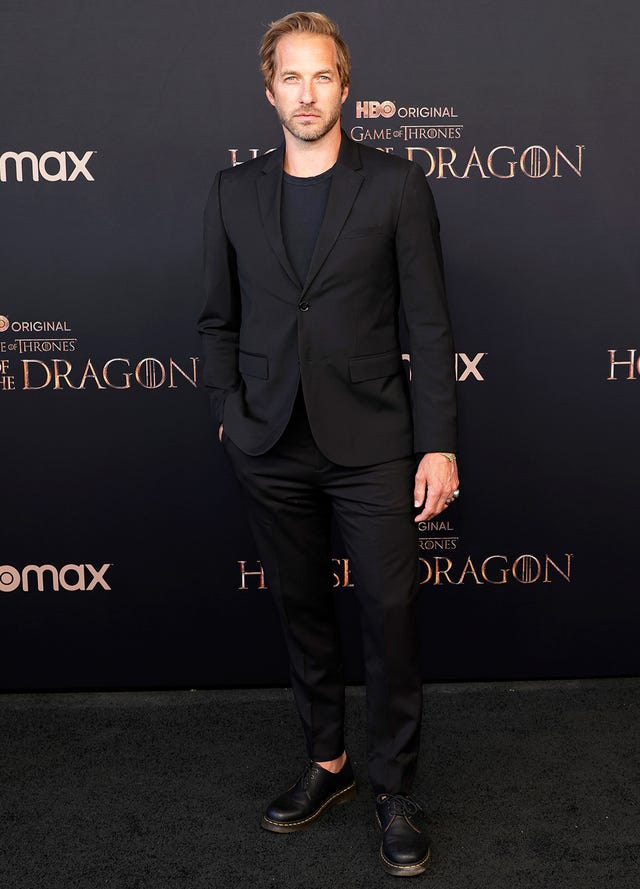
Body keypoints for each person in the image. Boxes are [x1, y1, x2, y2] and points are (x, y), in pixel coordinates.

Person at [198, 11, 459, 878]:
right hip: (269, 441)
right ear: (269, 91)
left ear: (345, 87)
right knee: (302, 609)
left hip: (375, 441)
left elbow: (429, 323)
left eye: (322, 77)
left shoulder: (397, 185)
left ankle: (393, 787)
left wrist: (438, 444)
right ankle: (329, 762)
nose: (306, 94)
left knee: (390, 614)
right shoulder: (232, 190)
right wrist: (228, 411)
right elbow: (216, 319)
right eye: (291, 78)